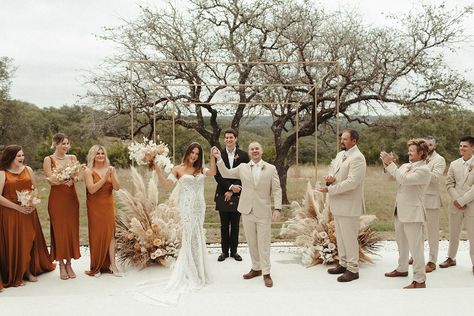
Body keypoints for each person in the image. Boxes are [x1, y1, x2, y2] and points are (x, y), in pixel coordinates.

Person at [134, 142, 216, 305]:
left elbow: (213, 173)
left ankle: (200, 271)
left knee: (198, 235)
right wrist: (157, 170)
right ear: (187, 153)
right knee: (188, 236)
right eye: (192, 153)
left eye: (197, 154)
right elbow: (167, 185)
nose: (194, 156)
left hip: (199, 206)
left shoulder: (201, 169)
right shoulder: (178, 169)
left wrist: (212, 157)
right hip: (186, 206)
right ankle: (189, 270)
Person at [213, 142, 282, 288]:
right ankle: (256, 268)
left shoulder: (271, 168)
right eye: (252, 149)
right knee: (252, 242)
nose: (255, 150)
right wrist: (219, 158)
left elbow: (277, 190)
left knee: (263, 243)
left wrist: (277, 208)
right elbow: (226, 173)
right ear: (249, 152)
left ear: (261, 151)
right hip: (247, 210)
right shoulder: (242, 167)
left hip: (263, 211)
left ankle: (266, 272)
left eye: (257, 148)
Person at [0, 145, 55, 288]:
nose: (22, 158)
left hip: (28, 211)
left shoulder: (28, 169)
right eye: (18, 156)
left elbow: (34, 188)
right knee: (16, 242)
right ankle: (18, 272)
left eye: (22, 155)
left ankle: (29, 271)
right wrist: (18, 207)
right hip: (11, 213)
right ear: (10, 157)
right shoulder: (3, 173)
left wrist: (32, 202)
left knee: (29, 239)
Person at [317, 129, 366, 282]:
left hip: (350, 204)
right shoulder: (340, 155)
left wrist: (330, 189)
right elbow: (334, 172)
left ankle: (353, 269)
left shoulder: (358, 158)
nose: (342, 141)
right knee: (341, 236)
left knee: (350, 237)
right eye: (342, 139)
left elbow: (352, 183)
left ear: (354, 141)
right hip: (338, 204)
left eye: (345, 139)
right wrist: (330, 179)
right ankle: (343, 263)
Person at [381, 139, 431, 289]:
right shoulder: (405, 166)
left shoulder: (424, 170)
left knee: (416, 248)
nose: (408, 153)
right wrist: (386, 163)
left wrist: (391, 165)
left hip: (413, 212)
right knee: (401, 243)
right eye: (408, 150)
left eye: (412, 150)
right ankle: (402, 268)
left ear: (421, 153)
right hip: (400, 210)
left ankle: (420, 280)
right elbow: (390, 178)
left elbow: (403, 179)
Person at [43, 133, 81, 280]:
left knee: (71, 230)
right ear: (55, 144)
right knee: (59, 231)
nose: (65, 146)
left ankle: (69, 263)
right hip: (57, 200)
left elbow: (77, 175)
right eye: (62, 144)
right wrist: (62, 180)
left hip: (71, 199)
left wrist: (73, 179)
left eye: (67, 143)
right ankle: (61, 264)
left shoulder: (73, 158)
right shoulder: (49, 159)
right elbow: (50, 180)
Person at [83, 145, 122, 277]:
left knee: (111, 236)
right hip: (95, 207)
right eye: (97, 153)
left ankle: (113, 265)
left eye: (102, 153)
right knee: (97, 235)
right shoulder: (88, 171)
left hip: (108, 205)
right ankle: (97, 266)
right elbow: (91, 190)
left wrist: (112, 175)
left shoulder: (111, 169)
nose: (100, 155)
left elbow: (116, 188)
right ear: (93, 156)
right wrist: (104, 178)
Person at [214, 129, 249, 262]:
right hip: (223, 193)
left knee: (235, 224)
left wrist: (234, 189)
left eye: (231, 137)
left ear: (236, 139)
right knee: (224, 225)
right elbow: (217, 176)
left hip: (238, 192)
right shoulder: (219, 154)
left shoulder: (244, 155)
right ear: (224, 140)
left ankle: (234, 252)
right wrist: (229, 188)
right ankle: (224, 252)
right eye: (227, 138)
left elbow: (244, 174)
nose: (229, 139)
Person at [441, 136, 474, 275]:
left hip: (471, 205)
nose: (461, 148)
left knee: (473, 236)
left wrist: (462, 201)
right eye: (460, 146)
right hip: (455, 205)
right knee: (453, 233)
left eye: (465, 146)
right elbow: (449, 183)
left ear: (472, 147)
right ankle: (451, 258)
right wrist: (456, 200)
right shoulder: (454, 164)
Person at [422, 136, 446, 273]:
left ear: (434, 146)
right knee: (417, 231)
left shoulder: (439, 160)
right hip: (417, 200)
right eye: (425, 145)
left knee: (431, 233)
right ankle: (416, 255)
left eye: (430, 145)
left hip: (431, 201)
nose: (427, 147)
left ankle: (432, 261)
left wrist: (421, 168)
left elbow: (436, 178)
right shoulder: (420, 158)